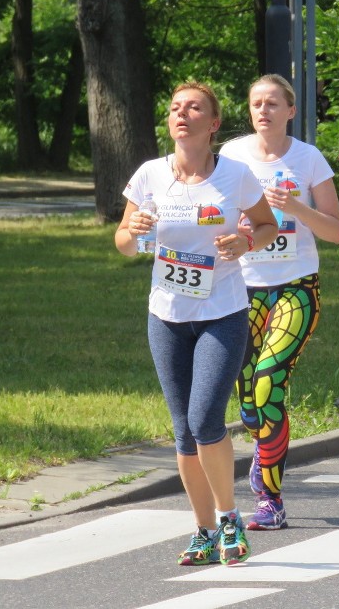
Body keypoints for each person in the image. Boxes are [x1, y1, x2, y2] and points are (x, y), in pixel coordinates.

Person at [115, 82, 278, 566]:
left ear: (213, 124)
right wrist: (133, 233)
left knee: (204, 419)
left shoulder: (236, 176)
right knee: (183, 433)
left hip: (222, 312)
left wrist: (246, 244)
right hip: (166, 316)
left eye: (194, 108)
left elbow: (266, 226)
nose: (181, 115)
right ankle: (204, 530)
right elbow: (124, 241)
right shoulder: (148, 176)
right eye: (174, 109)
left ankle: (229, 519)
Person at [219, 74, 339, 530]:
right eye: (256, 103)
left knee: (270, 383)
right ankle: (263, 447)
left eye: (273, 103)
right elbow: (216, 211)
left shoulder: (308, 159)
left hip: (295, 286)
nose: (263, 110)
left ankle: (269, 498)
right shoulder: (231, 156)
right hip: (240, 289)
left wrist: (295, 208)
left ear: (291, 110)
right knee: (249, 401)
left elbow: (336, 231)